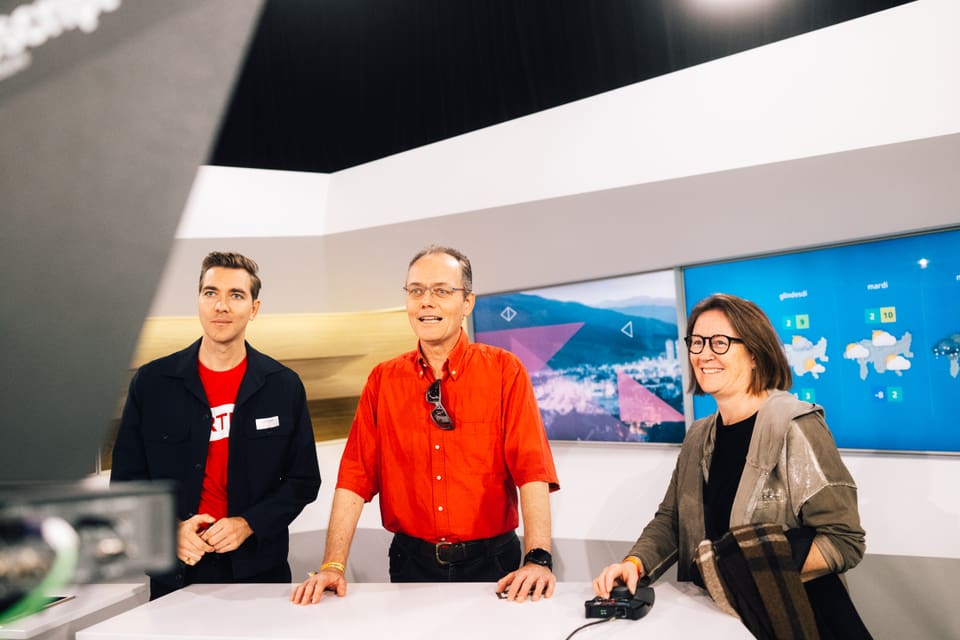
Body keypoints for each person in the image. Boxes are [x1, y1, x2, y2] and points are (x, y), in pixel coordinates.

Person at [291, 245, 559, 605]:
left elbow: (531, 470)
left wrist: (537, 558)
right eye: (416, 290)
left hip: (493, 564)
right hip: (409, 564)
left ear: (467, 303)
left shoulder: (504, 371)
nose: (426, 302)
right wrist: (333, 565)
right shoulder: (382, 380)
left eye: (442, 291)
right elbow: (354, 478)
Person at [593, 293, 866, 630]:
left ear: (754, 352)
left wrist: (748, 576)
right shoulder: (698, 436)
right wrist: (634, 564)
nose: (704, 354)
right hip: (720, 621)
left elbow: (844, 540)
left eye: (720, 343)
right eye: (696, 342)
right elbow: (672, 521)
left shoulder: (796, 426)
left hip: (795, 621)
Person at [112, 251, 321, 599]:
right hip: (176, 575)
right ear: (199, 301)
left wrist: (248, 523)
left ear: (254, 308)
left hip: (259, 572)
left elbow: (303, 480)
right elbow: (127, 485)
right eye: (211, 293)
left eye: (235, 295)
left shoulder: (283, 386)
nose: (221, 306)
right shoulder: (152, 384)